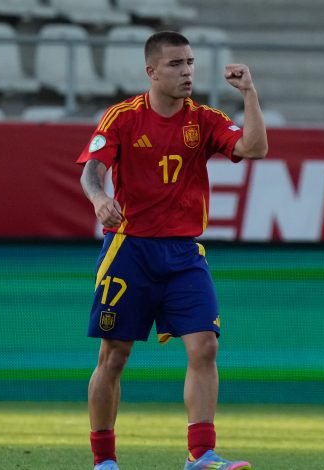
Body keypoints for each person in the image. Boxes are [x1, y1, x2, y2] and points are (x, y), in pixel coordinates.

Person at [77, 30, 268, 470]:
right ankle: (104, 461)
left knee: (205, 347)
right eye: (176, 64)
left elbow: (255, 147)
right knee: (113, 356)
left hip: (183, 253)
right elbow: (91, 171)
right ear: (151, 71)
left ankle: (200, 454)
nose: (187, 72)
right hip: (129, 250)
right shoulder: (122, 117)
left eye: (190, 63)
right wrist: (99, 198)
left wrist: (249, 93)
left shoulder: (204, 119)